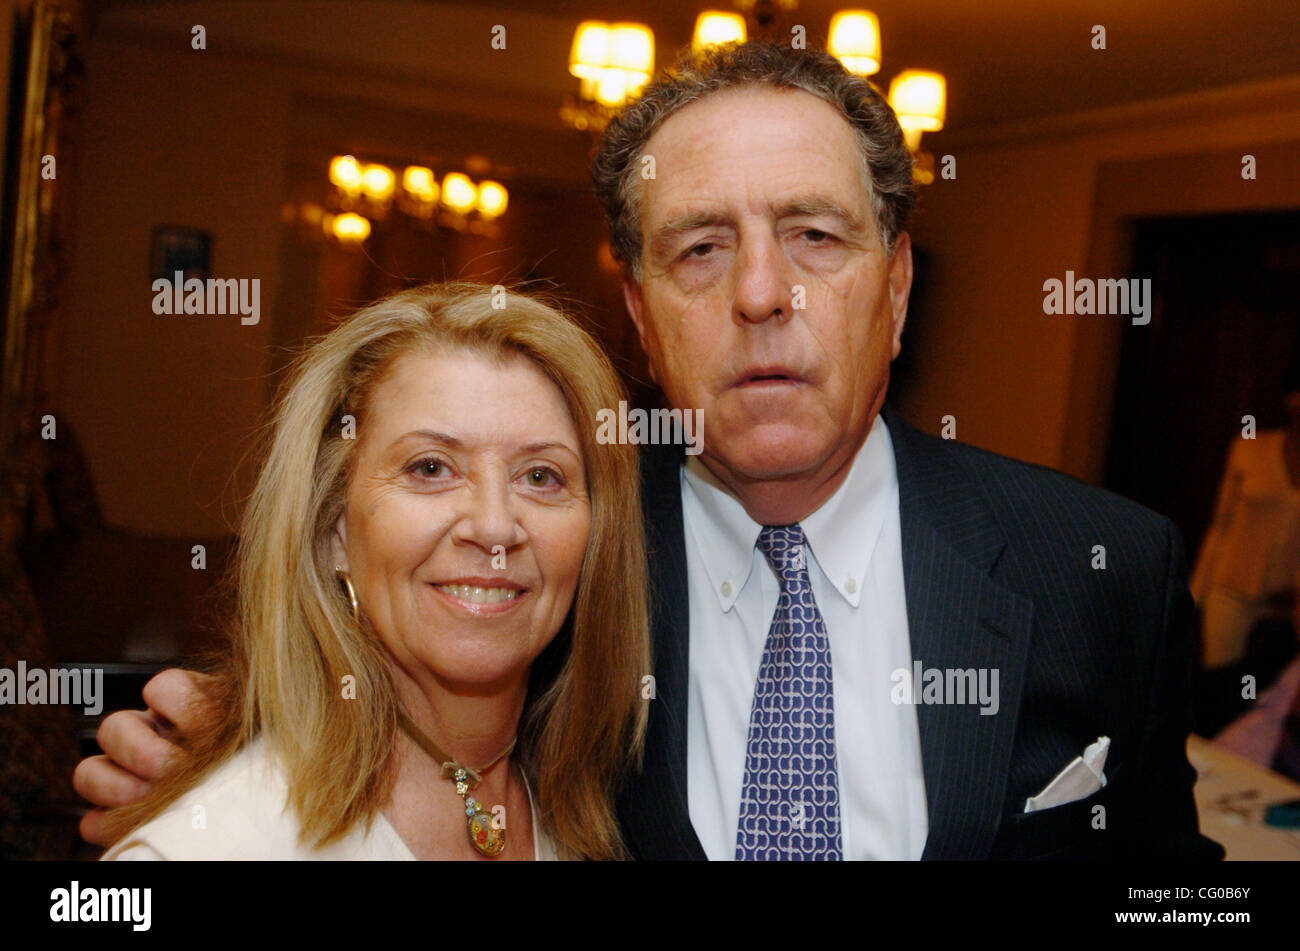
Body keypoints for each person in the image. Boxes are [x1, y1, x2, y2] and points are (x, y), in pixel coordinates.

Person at [78, 42, 1222, 860]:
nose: (762, 295)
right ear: (637, 312)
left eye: (815, 236)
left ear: (897, 281)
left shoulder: (1104, 568)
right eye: (700, 251)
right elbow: (366, 693)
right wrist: (223, 749)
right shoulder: (553, 564)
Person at [89, 282, 649, 859]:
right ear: (335, 531)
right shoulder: (217, 844)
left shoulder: (583, 815)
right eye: (430, 467)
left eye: (540, 476)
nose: (494, 527)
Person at [1190, 363, 1300, 670]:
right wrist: (1195, 595)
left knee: (1270, 697)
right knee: (1220, 683)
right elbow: (1220, 526)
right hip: (1232, 590)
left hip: (1288, 605)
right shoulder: (1249, 450)